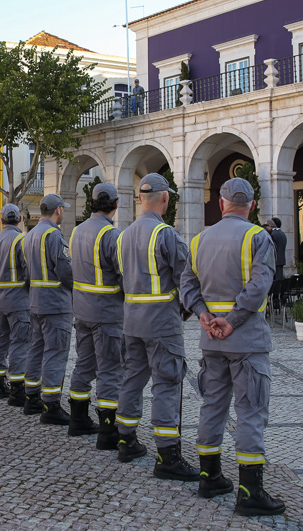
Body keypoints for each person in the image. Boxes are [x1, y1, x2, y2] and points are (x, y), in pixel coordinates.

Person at [180, 177, 285, 515]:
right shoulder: (259, 237)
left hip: (211, 340)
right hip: (246, 340)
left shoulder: (198, 240)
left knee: (212, 406)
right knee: (251, 410)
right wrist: (233, 318)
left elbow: (187, 285)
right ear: (251, 206)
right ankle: (249, 492)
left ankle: (209, 478)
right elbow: (260, 285)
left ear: (222, 203)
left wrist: (204, 315)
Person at [115, 173, 199, 481]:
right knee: (167, 384)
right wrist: (192, 312)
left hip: (131, 319)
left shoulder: (121, 236)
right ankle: (168, 456)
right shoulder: (166, 235)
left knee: (131, 379)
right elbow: (187, 281)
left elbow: (120, 279)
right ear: (165, 198)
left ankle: (125, 440)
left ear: (139, 199)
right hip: (162, 322)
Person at [67, 183, 123, 447]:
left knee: (84, 365)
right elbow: (123, 274)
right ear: (115, 204)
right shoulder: (111, 235)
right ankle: (108, 431)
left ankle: (78, 420)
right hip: (107, 312)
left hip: (82, 310)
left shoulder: (76, 231)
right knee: (110, 369)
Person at [24, 194, 74, 424]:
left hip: (35, 301)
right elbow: (64, 270)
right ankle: (51, 404)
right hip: (55, 302)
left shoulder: (31, 234)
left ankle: (31, 396)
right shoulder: (54, 235)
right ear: (58, 210)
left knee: (36, 349)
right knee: (55, 352)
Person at [0, 204, 31, 405]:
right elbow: (28, 270)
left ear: (2, 221)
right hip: (19, 297)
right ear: (20, 219)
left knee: (1, 340)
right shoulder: (21, 240)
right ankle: (16, 388)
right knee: (20, 342)